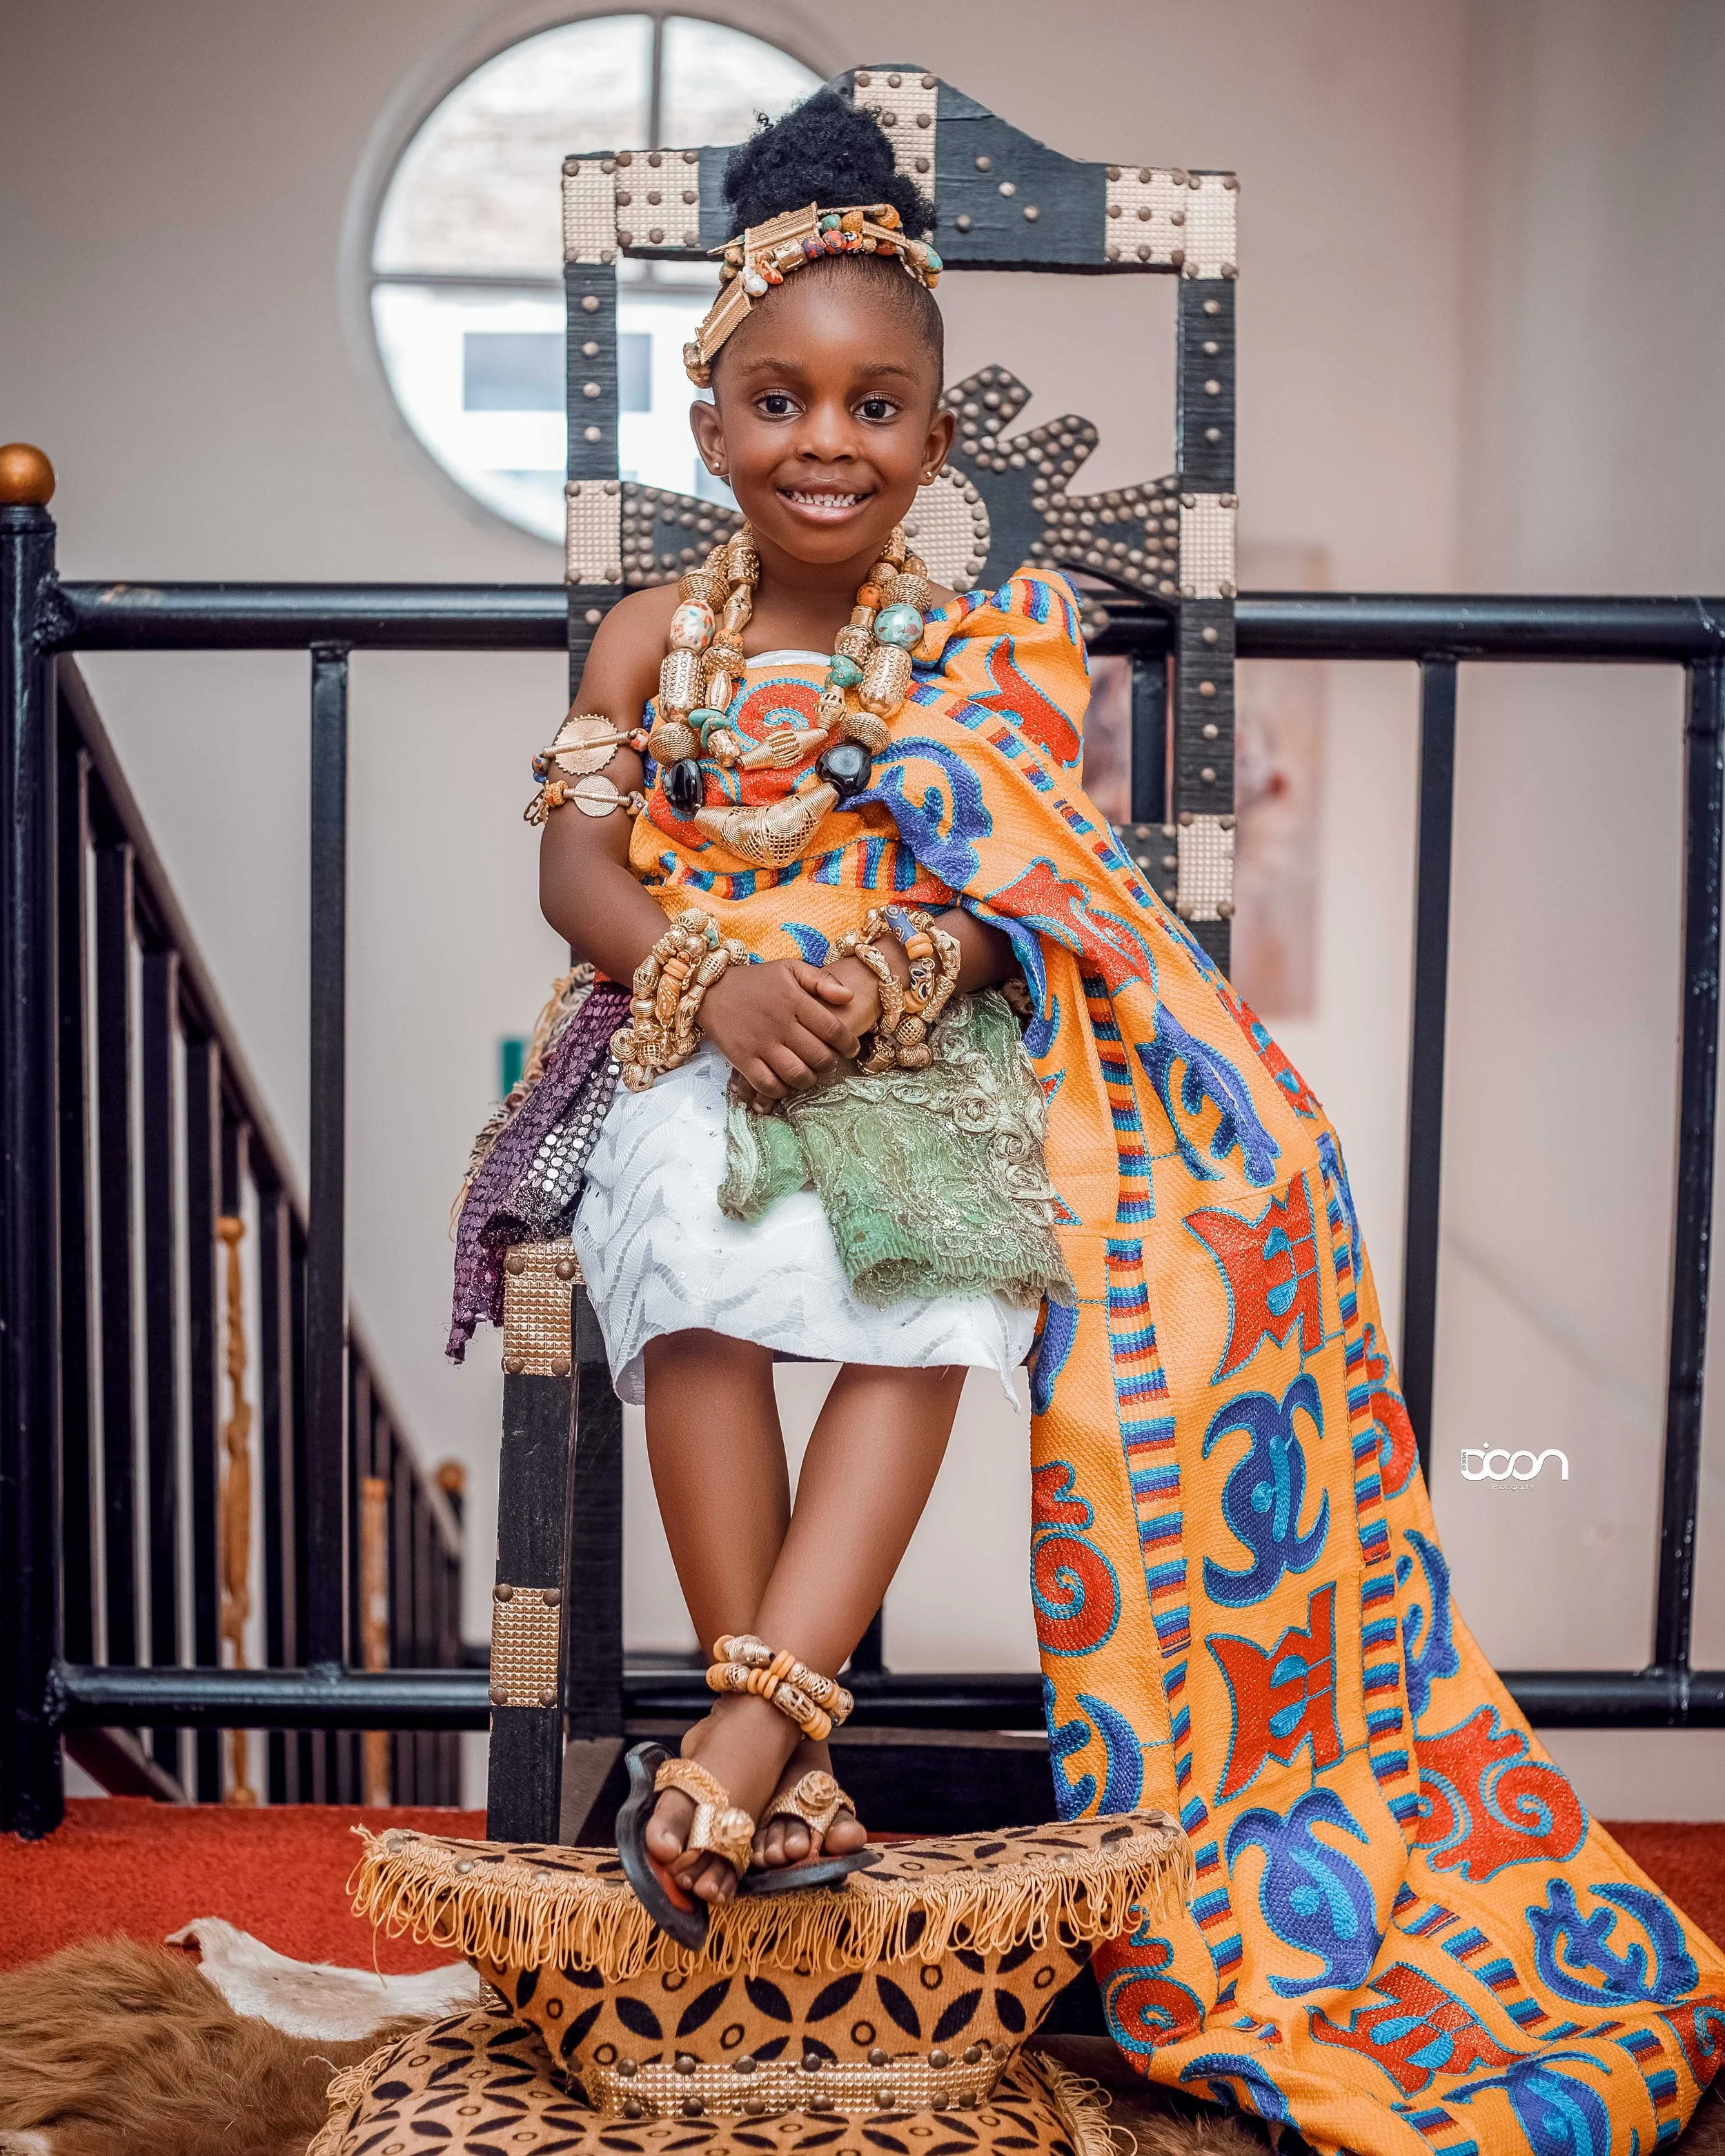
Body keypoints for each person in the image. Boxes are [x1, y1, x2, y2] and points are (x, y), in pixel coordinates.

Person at [500, 86, 1724, 2153]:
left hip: (919, 1050)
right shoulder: (649, 636)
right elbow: (580, 874)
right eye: (779, 399)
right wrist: (710, 979)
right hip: (704, 1032)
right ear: (705, 426)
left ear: (932, 442)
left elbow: (1021, 893)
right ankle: (778, 1748)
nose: (826, 439)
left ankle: (751, 1717)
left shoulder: (981, 644)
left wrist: (880, 986)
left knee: (926, 1295)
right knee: (688, 1278)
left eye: (877, 405)